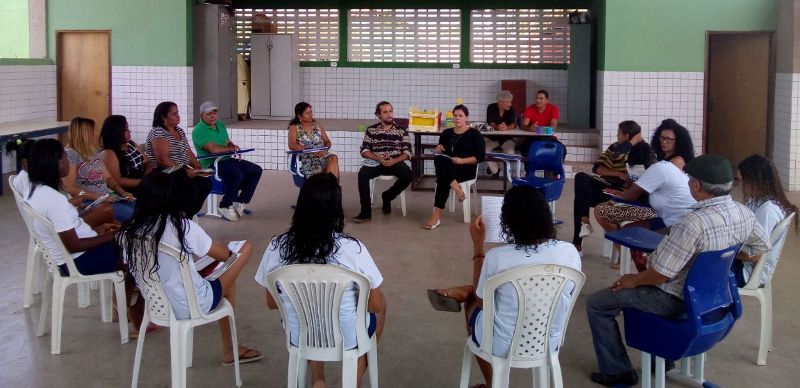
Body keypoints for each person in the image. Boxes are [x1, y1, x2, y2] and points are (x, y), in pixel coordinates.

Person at [585, 154, 770, 387]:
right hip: (715, 298)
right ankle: (661, 359)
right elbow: (760, 249)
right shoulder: (743, 213)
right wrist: (724, 254)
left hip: (674, 299)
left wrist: (632, 279)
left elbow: (661, 274)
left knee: (597, 303)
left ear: (695, 185)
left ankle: (617, 372)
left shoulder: (691, 223)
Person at [426, 186, 582, 388]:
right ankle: (464, 291)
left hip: (502, 344)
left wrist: (478, 246)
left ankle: (492, 383)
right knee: (497, 291)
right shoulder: (569, 252)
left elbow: (483, 302)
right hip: (547, 341)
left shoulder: (497, 257)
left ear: (508, 222)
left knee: (476, 300)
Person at [255, 173, 387, 388]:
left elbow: (271, 303)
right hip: (348, 337)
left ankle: (318, 380)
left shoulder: (276, 247)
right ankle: (354, 380)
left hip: (301, 336)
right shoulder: (353, 249)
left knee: (312, 311)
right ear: (336, 207)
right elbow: (373, 305)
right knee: (381, 307)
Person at [117, 171, 262, 366]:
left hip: (157, 306)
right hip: (193, 304)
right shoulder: (182, 227)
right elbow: (226, 257)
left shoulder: (129, 233)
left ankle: (230, 349)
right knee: (244, 250)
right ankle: (229, 350)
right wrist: (215, 245)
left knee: (215, 274)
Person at [593, 119, 697, 268]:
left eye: (668, 139)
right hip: (658, 209)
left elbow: (633, 194)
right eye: (661, 138)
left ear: (678, 141)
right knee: (609, 210)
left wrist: (623, 192)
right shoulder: (662, 160)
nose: (664, 142)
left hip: (660, 213)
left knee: (603, 211)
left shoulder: (671, 164)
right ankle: (629, 258)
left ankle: (633, 261)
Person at [572, 121, 656, 255]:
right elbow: (597, 168)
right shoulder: (615, 147)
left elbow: (644, 177)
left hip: (621, 192)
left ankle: (578, 242)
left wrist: (626, 180)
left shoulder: (644, 150)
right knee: (581, 177)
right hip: (604, 184)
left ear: (627, 135)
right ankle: (585, 221)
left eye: (618, 133)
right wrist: (618, 173)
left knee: (581, 198)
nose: (616, 136)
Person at [14, 139, 115, 228]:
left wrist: (71, 204)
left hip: (64, 221)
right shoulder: (41, 190)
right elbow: (73, 241)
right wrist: (71, 203)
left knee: (110, 218)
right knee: (107, 211)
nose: (68, 162)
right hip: (65, 226)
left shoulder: (38, 184)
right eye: (65, 158)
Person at [733, 154, 798, 286]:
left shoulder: (768, 210)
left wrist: (727, 253)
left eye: (742, 181)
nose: (740, 186)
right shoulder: (759, 200)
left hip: (749, 272)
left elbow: (755, 255)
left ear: (755, 183)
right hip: (746, 262)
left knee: (701, 267)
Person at [192, 101, 263, 222]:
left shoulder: (219, 124)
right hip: (211, 163)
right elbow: (214, 150)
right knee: (237, 173)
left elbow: (227, 141)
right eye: (209, 113)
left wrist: (233, 146)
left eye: (215, 112)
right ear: (201, 115)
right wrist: (231, 149)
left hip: (226, 158)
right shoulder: (198, 130)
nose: (213, 115)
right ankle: (225, 204)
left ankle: (240, 201)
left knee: (256, 170)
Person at [423, 105, 486, 229]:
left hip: (466, 168)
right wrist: (437, 150)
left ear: (466, 118)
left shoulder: (474, 134)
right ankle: (458, 190)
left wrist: (462, 161)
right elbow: (441, 152)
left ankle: (435, 217)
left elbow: (480, 157)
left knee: (443, 179)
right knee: (440, 159)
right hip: (449, 167)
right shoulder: (446, 133)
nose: (457, 118)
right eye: (455, 116)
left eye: (461, 116)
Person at [144, 101, 212, 217]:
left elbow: (188, 152)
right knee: (190, 188)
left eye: (178, 113)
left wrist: (198, 167)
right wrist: (185, 171)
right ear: (163, 117)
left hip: (180, 168)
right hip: (163, 171)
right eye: (174, 114)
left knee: (205, 183)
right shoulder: (158, 132)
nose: (178, 116)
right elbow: (162, 160)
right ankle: (179, 216)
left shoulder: (179, 130)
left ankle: (187, 215)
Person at [62, 117, 136, 222]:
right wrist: (99, 197)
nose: (96, 134)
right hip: (88, 202)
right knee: (132, 215)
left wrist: (123, 193)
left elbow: (109, 178)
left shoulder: (92, 151)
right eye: (93, 131)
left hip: (107, 197)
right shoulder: (70, 154)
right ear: (84, 134)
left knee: (141, 208)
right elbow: (69, 188)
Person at [352, 101, 413, 223]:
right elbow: (364, 151)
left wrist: (394, 160)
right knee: (362, 174)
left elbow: (407, 153)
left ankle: (388, 196)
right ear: (378, 115)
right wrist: (379, 159)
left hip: (395, 162)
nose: (389, 114)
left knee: (408, 175)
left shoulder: (401, 131)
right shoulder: (372, 130)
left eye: (390, 111)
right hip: (377, 162)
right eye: (385, 112)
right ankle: (365, 212)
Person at [99, 115, 153, 198]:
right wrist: (143, 182)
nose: (129, 131)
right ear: (116, 132)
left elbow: (148, 162)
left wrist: (147, 175)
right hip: (129, 192)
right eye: (126, 129)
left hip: (144, 183)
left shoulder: (130, 143)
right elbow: (118, 181)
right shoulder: (108, 153)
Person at [287, 101, 340, 178]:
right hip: (307, 157)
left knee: (333, 158)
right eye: (307, 113)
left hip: (322, 155)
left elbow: (327, 141)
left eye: (311, 112)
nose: (311, 115)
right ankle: (330, 187)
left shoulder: (317, 125)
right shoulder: (294, 127)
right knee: (329, 170)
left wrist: (324, 150)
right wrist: (311, 150)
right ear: (299, 115)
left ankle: (331, 186)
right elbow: (292, 145)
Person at [484, 91, 518, 177]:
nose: (510, 104)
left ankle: (499, 166)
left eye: (510, 102)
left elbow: (513, 124)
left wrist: (507, 128)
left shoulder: (511, 109)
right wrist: (497, 127)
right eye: (507, 102)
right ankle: (495, 171)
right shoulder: (491, 107)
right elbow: (490, 123)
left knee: (510, 154)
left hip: (507, 138)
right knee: (484, 150)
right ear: (500, 102)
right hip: (493, 138)